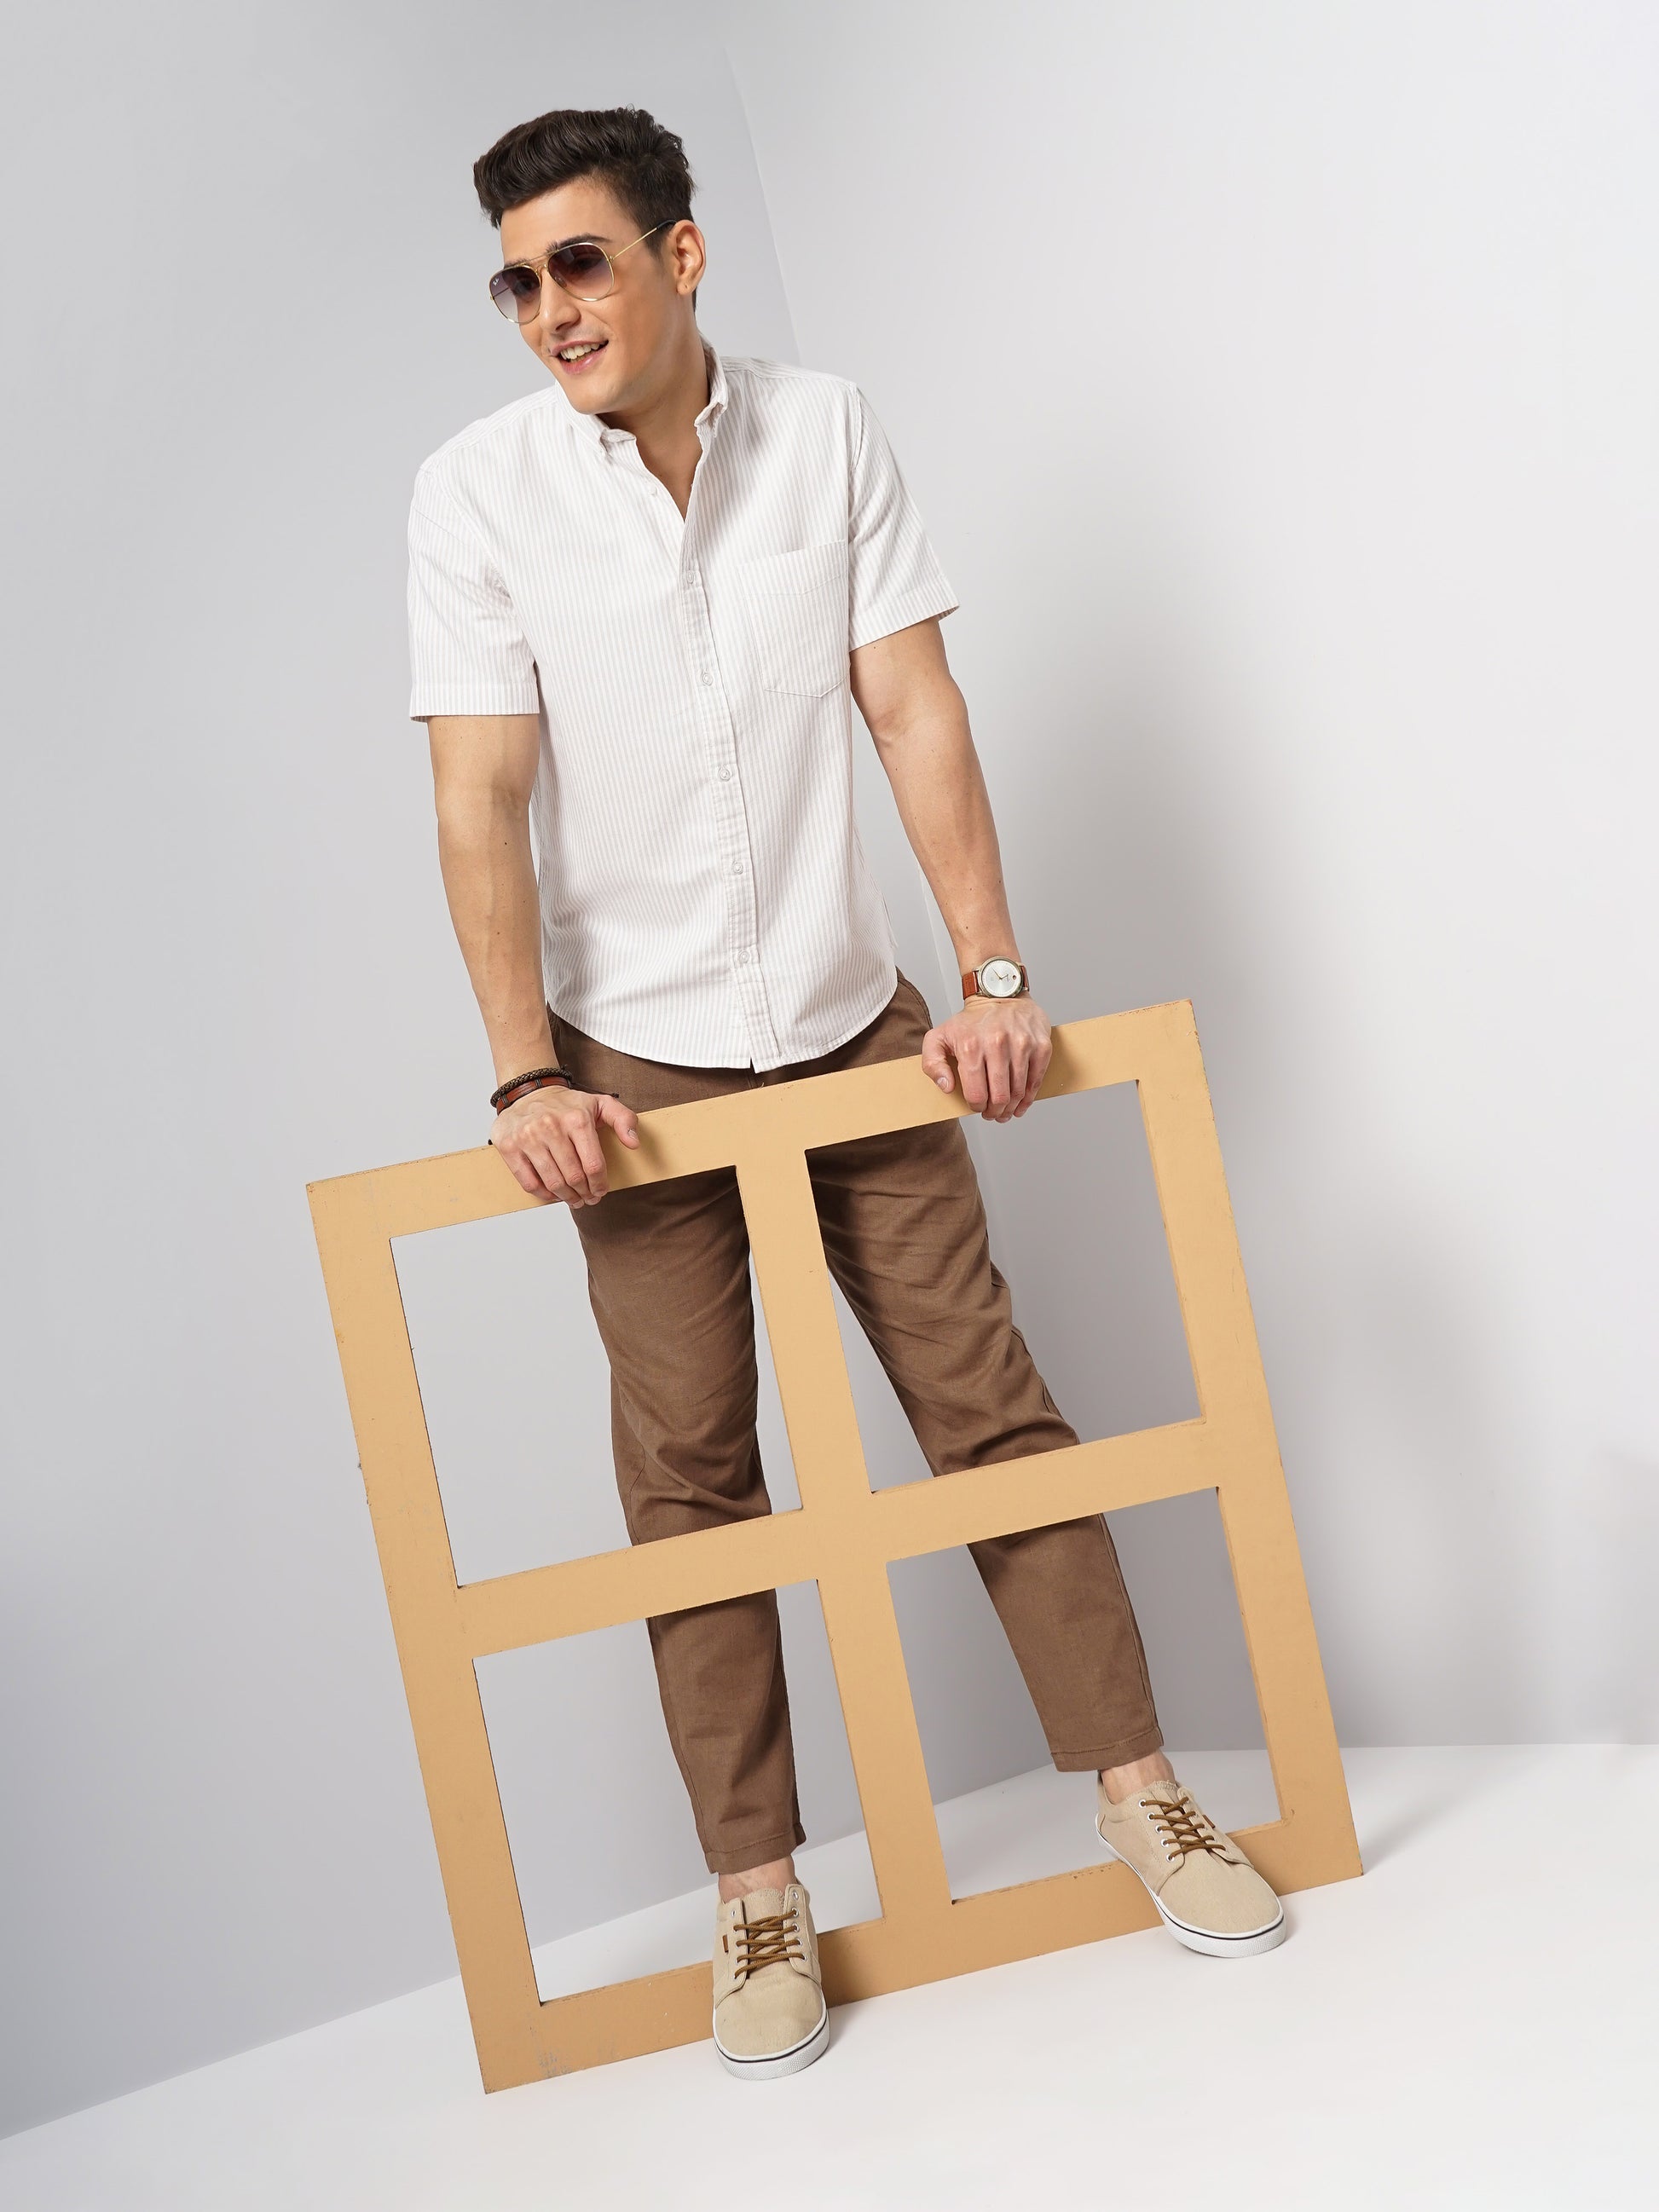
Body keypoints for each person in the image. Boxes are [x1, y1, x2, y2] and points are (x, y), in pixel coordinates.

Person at [408, 103, 1285, 2083]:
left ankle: (1144, 1793)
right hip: (630, 1070)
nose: (551, 309)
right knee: (691, 1488)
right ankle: (757, 1898)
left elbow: (911, 701)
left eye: (581, 262)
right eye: (517, 280)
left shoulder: (829, 434)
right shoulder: (473, 496)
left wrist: (989, 975)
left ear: (680, 254)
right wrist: (524, 1066)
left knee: (993, 1413)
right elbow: (478, 792)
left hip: (849, 1016)